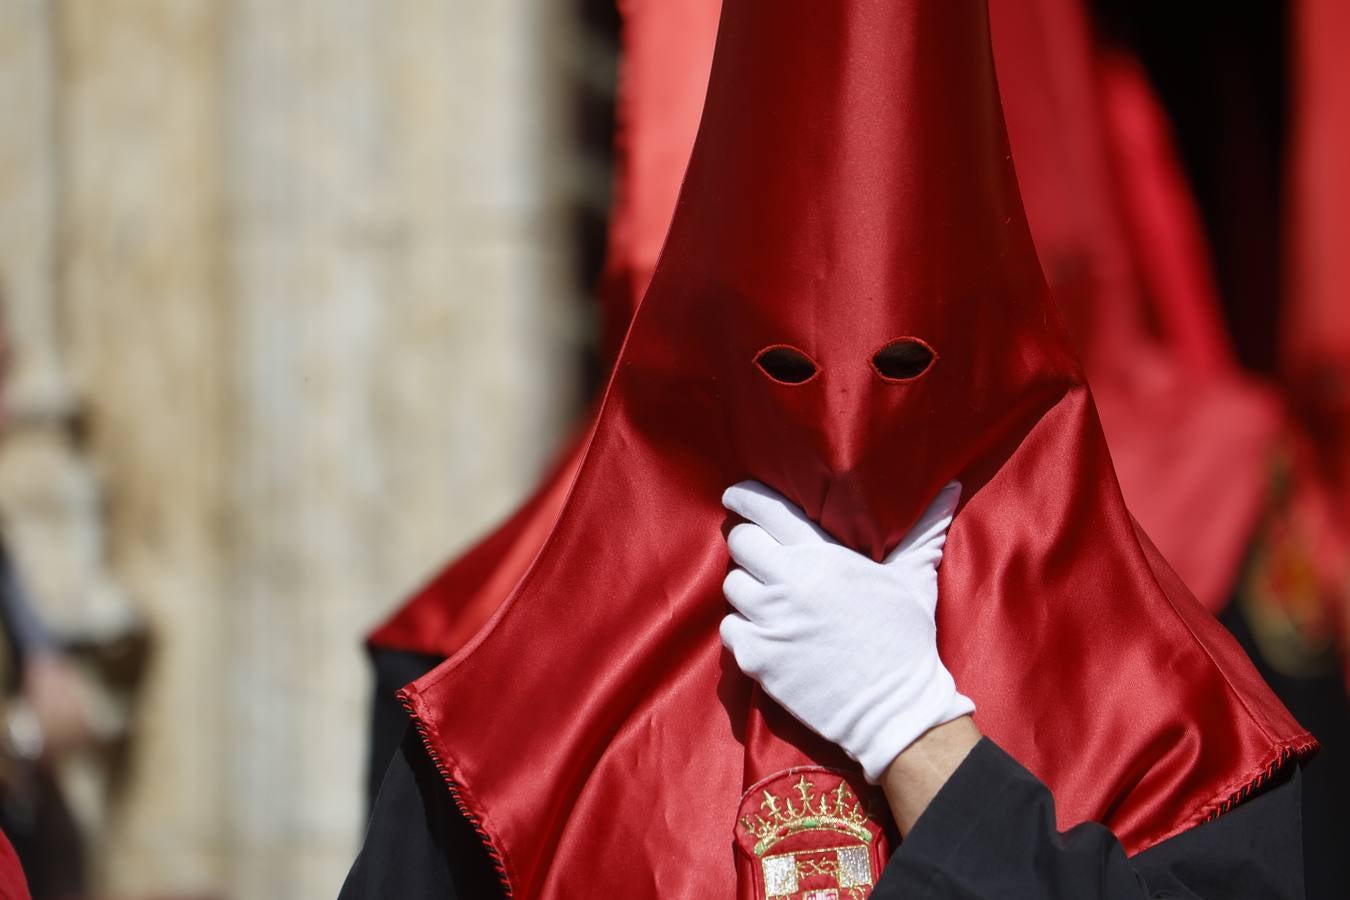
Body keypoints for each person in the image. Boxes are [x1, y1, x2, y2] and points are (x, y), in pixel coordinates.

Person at [343, 1, 1312, 896]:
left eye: (904, 360)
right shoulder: (520, 724)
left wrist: (918, 737)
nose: (845, 419)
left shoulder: (1178, 723)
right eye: (783, 365)